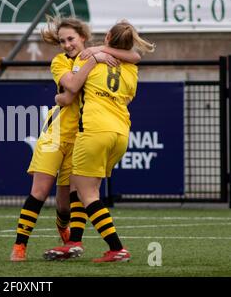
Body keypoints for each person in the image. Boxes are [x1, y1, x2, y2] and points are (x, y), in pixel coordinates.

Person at [10, 16, 141, 262]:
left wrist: (97, 54)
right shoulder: (62, 61)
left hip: (83, 133)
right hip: (58, 133)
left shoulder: (100, 57)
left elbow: (133, 57)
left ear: (83, 37)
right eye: (62, 41)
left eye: (71, 39)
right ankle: (20, 246)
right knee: (40, 190)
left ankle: (72, 240)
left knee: (69, 201)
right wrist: (94, 58)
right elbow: (70, 88)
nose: (66, 44)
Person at [43, 20, 155, 262]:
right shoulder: (131, 67)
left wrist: (59, 97)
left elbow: (71, 90)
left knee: (88, 194)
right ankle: (74, 242)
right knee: (78, 185)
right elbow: (134, 58)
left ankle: (116, 248)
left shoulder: (87, 60)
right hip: (121, 133)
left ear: (106, 37)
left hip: (94, 130)